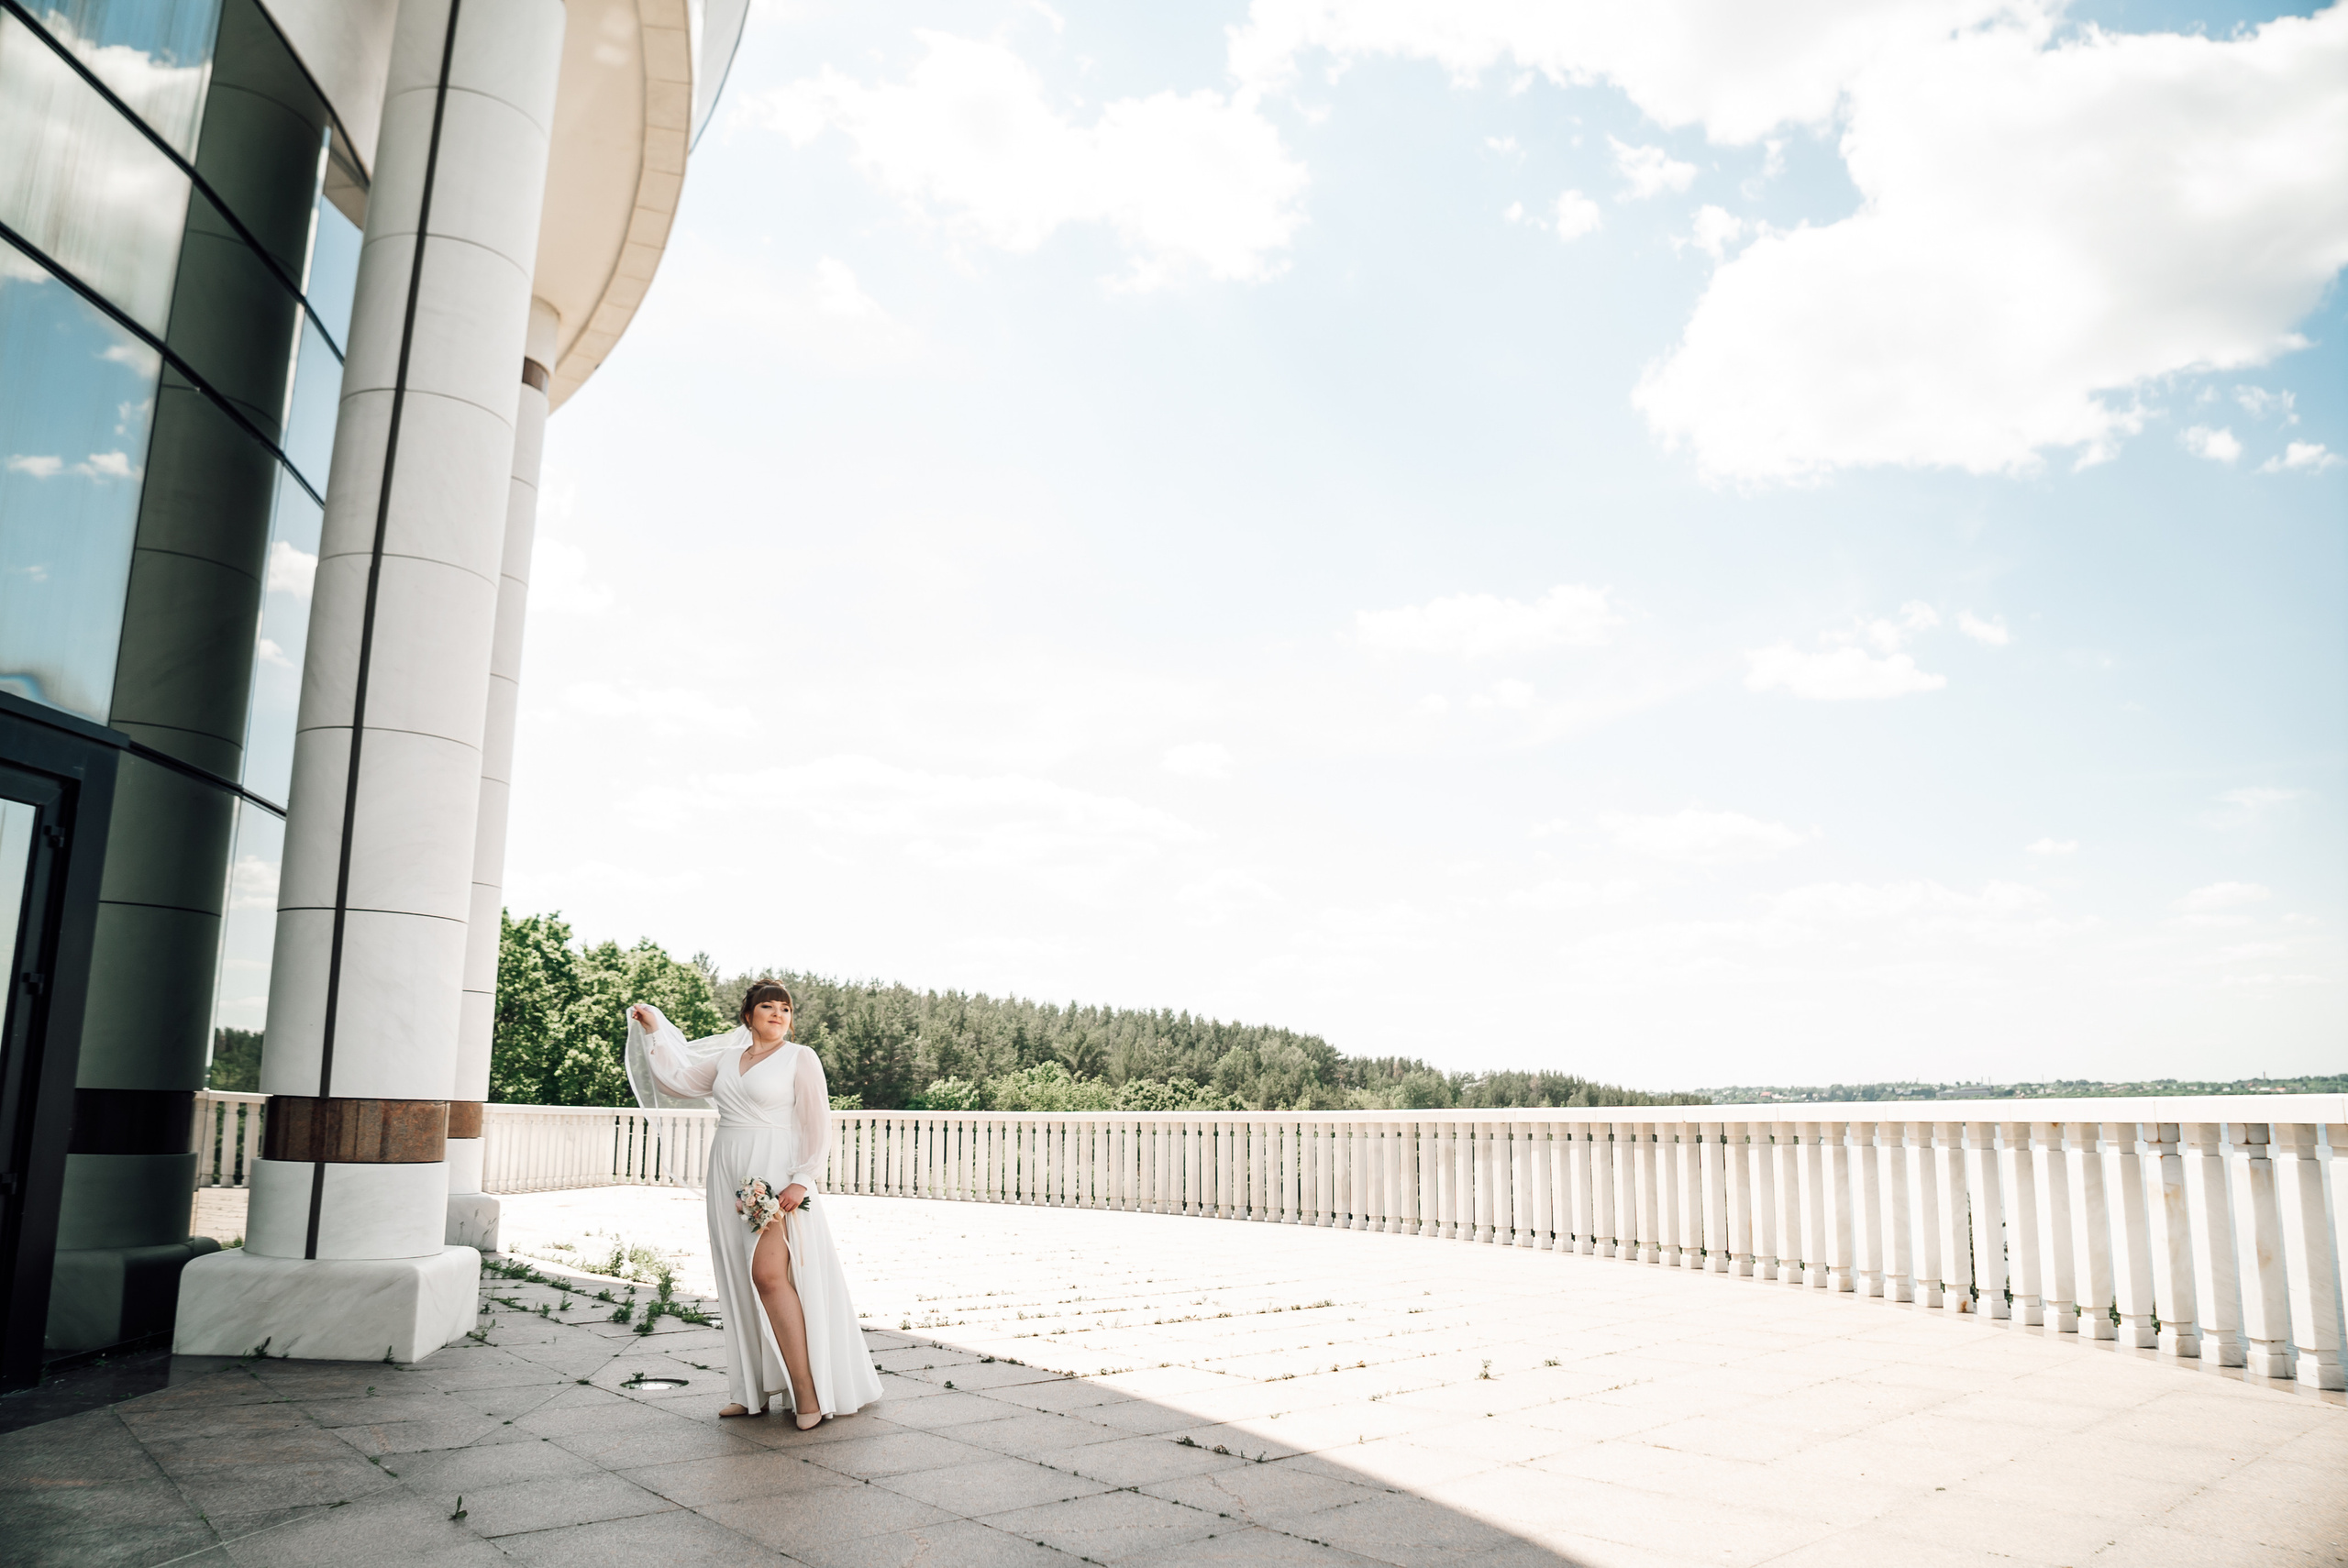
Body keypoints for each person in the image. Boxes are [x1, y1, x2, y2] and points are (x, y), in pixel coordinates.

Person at [626, 981, 883, 1425]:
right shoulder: (727, 1059)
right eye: (768, 1007)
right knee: (739, 1280)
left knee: (769, 1276)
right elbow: (677, 1081)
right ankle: (750, 1393)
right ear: (748, 1015)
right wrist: (653, 1030)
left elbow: (818, 1121)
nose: (778, 1015)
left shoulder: (800, 1057)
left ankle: (808, 1393)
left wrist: (801, 1180)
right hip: (727, 1172)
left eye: (785, 1008)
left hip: (775, 1173)